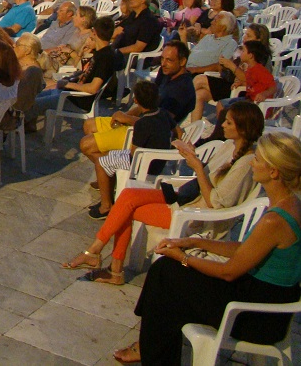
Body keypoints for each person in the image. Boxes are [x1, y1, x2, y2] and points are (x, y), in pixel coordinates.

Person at [116, 131, 301, 366]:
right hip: (265, 302)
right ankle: (149, 348)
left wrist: (183, 258)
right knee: (166, 283)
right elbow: (246, 249)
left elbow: (228, 272)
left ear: (273, 172)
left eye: (257, 159)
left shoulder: (275, 220)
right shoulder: (291, 204)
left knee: (165, 275)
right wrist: (194, 242)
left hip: (257, 317)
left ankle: (149, 348)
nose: (252, 163)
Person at [63, 100, 263, 291]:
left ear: (243, 129)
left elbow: (215, 203)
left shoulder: (245, 164)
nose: (223, 125)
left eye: (229, 123)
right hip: (187, 197)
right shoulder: (229, 146)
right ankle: (99, 256)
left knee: (125, 208)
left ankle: (106, 263)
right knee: (128, 195)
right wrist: (193, 158)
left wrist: (197, 168)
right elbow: (210, 177)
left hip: (196, 214)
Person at [80, 41, 196, 218]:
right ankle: (108, 178)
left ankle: (107, 187)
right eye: (162, 59)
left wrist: (127, 120)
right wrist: (125, 115)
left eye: (169, 60)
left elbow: (160, 125)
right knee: (89, 125)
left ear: (183, 61)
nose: (163, 64)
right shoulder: (166, 74)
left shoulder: (182, 89)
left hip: (145, 135)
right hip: (142, 123)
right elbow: (151, 105)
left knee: (87, 145)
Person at [27, 16, 118, 128]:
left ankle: (15, 129)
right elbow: (86, 74)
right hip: (71, 94)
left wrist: (68, 84)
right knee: (32, 97)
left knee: (32, 105)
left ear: (94, 32)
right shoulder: (101, 53)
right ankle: (28, 126)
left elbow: (93, 88)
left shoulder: (105, 58)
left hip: (76, 100)